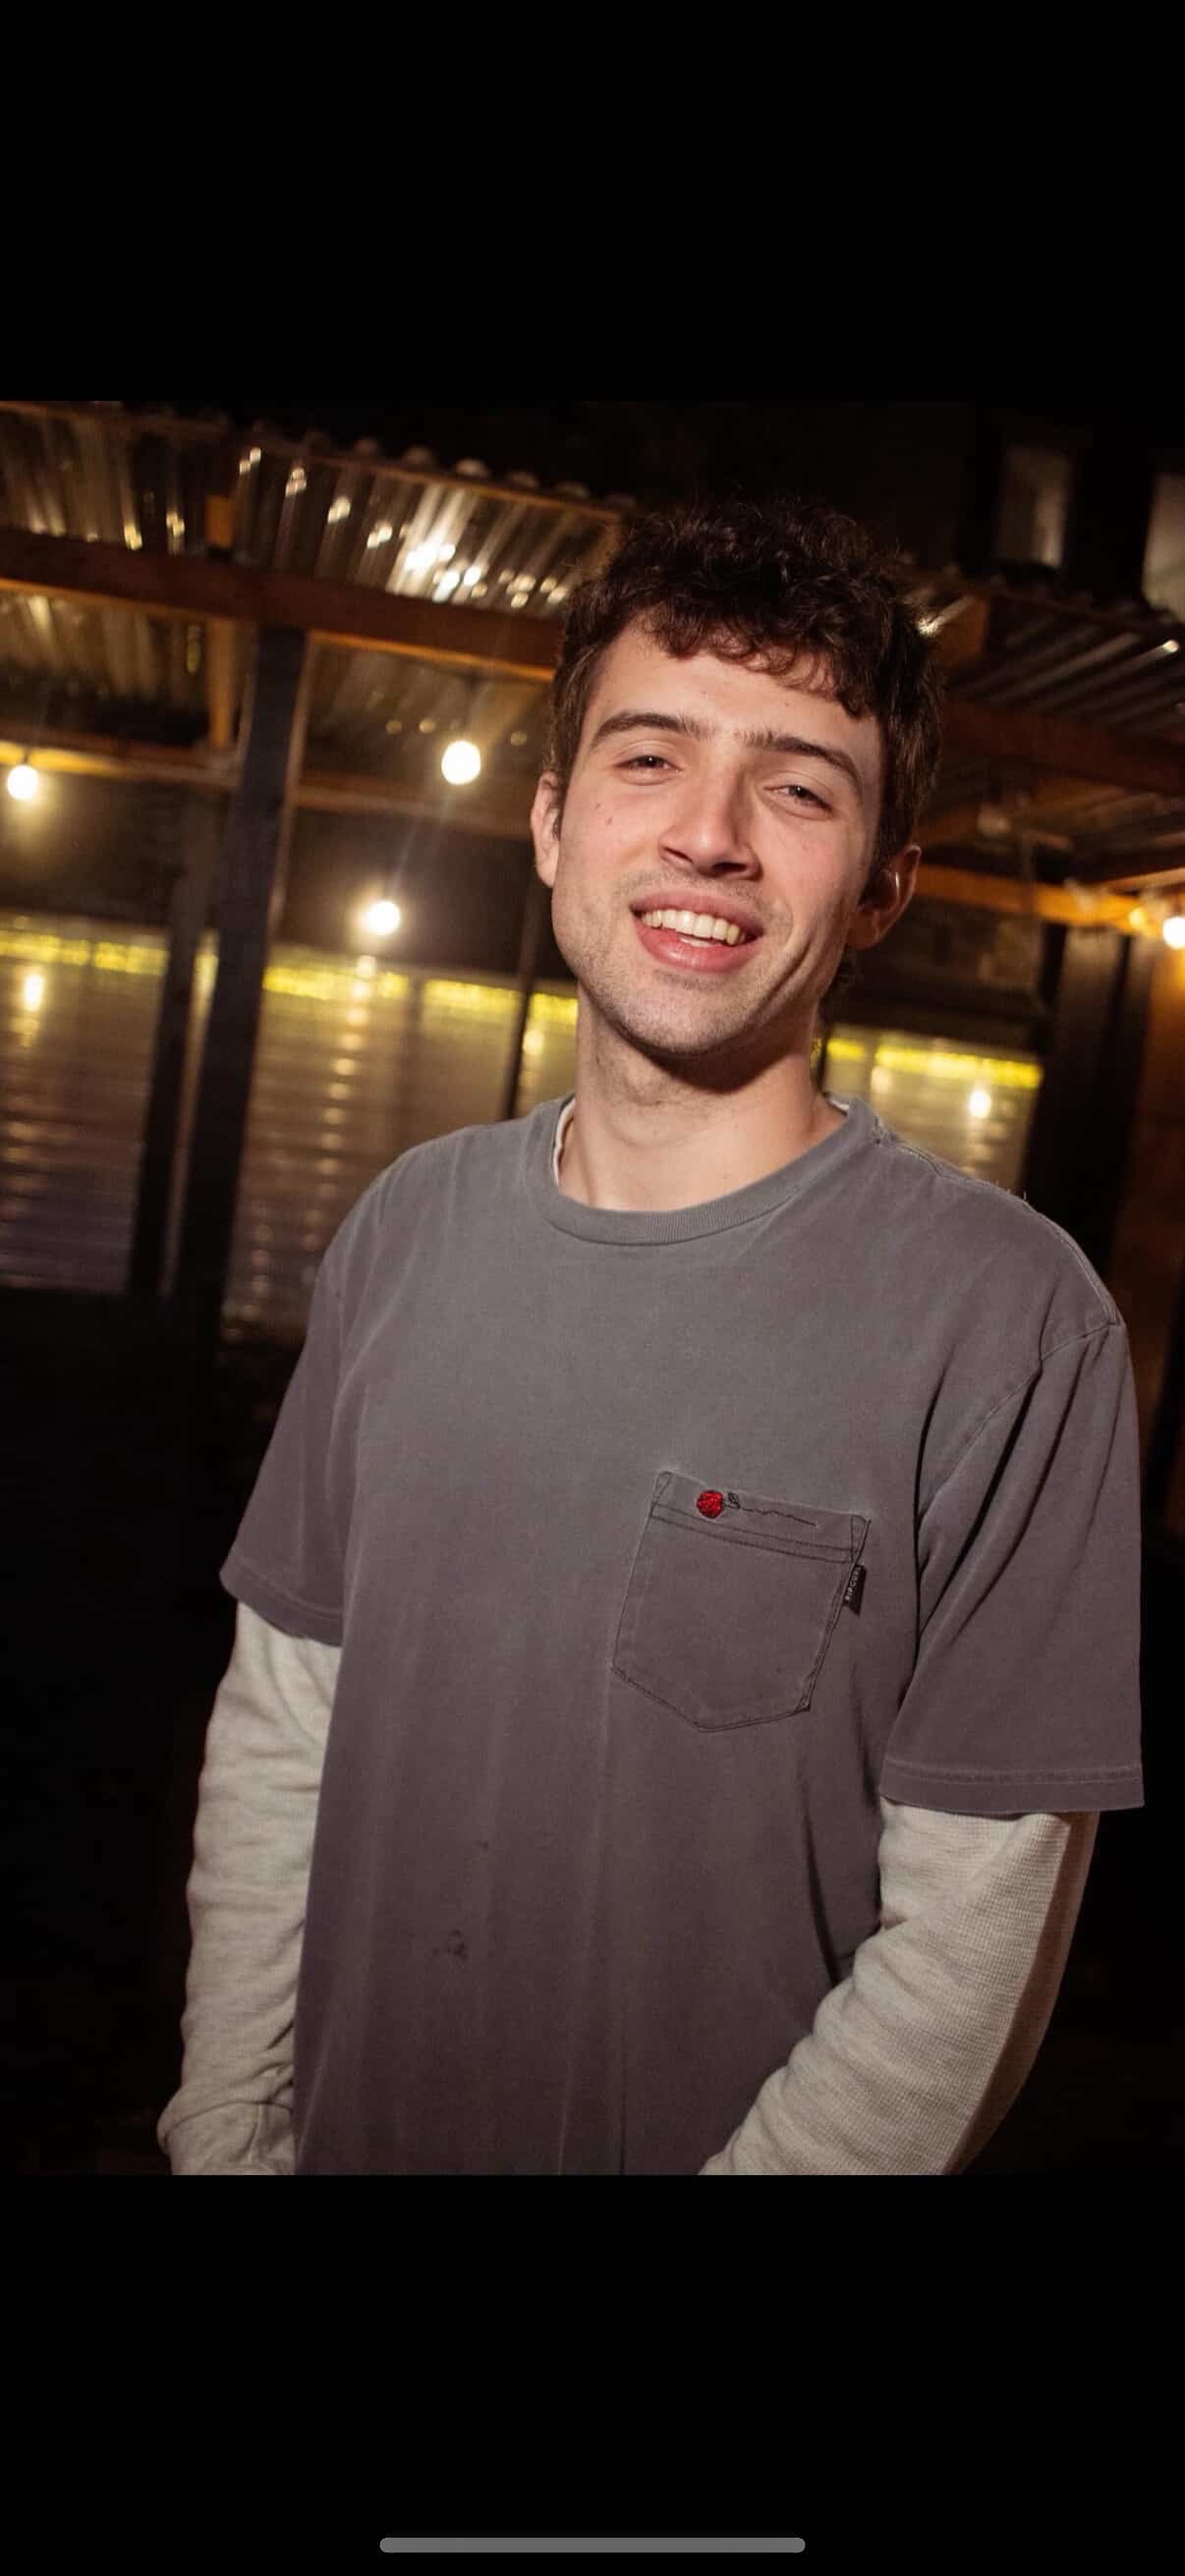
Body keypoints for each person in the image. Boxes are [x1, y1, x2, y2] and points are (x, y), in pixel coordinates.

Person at [158, 494, 1144, 2177]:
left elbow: (967, 1936)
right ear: (551, 822)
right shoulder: (405, 1227)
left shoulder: (1011, 1323)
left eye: (798, 786)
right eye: (647, 757)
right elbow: (281, 1727)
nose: (709, 834)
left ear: (883, 885)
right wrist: (232, 2129)